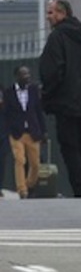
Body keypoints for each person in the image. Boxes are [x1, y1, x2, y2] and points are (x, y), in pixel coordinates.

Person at [39, 0, 81, 197]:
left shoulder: (57, 37)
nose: (48, 17)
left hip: (65, 103)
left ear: (62, 14)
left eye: (51, 12)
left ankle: (80, 188)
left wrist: (47, 94)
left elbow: (53, 71)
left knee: (69, 147)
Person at [2, 66, 47, 199]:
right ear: (17, 76)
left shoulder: (33, 91)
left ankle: (28, 184)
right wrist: (8, 129)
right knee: (19, 160)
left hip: (33, 132)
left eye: (28, 74)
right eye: (23, 74)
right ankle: (22, 190)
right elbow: (6, 113)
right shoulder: (8, 92)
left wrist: (44, 131)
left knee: (35, 163)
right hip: (17, 133)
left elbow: (39, 112)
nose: (27, 77)